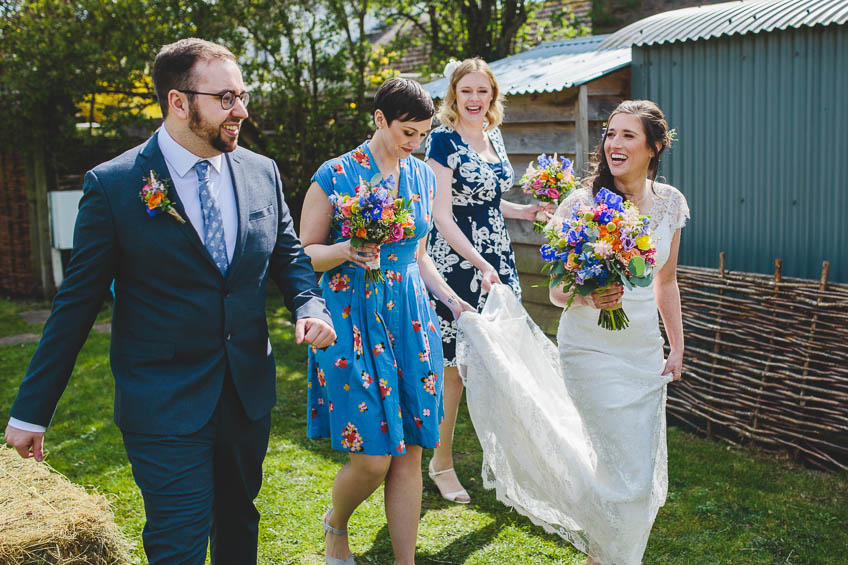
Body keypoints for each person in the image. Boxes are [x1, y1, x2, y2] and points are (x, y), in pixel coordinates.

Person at [4, 38, 335, 565]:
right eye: (226, 98)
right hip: (163, 400)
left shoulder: (260, 172)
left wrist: (309, 305)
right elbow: (76, 304)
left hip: (245, 393)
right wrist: (31, 412)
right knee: (177, 541)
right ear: (179, 102)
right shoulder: (114, 186)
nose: (242, 111)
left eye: (242, 95)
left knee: (238, 524)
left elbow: (288, 254)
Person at [455, 99, 688, 565]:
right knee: (620, 476)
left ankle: (603, 557)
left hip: (642, 352)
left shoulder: (671, 203)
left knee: (635, 477)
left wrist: (676, 346)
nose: (614, 144)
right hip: (590, 352)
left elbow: (665, 280)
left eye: (628, 135)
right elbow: (558, 292)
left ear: (655, 146)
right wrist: (587, 296)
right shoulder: (579, 205)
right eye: (611, 133)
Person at [300, 77, 474, 565]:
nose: (415, 144)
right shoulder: (334, 174)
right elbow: (303, 254)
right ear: (379, 119)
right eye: (407, 133)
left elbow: (418, 254)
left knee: (413, 449)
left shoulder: (420, 176)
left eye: (422, 134)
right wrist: (345, 250)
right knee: (373, 458)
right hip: (349, 317)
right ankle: (337, 524)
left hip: (411, 319)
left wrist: (449, 298)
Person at [424, 58, 550, 503]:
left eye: (483, 91)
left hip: (497, 258)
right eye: (467, 91)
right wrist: (478, 262)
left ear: (492, 96)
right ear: (453, 95)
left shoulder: (493, 135)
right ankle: (440, 463)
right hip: (459, 262)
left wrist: (526, 212)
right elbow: (440, 214)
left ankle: (514, 462)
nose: (475, 99)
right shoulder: (441, 140)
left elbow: (491, 201)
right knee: (455, 368)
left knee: (499, 362)